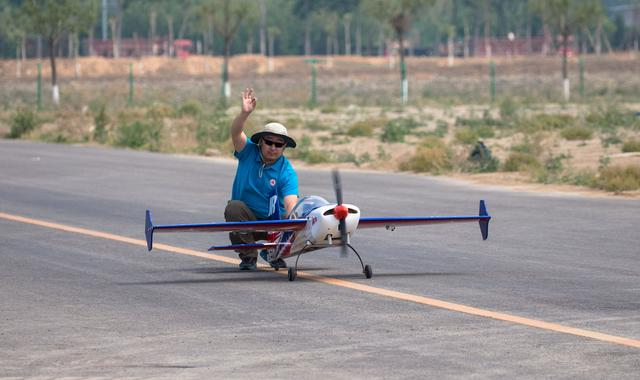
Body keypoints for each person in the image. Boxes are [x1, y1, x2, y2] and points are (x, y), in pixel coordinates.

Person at [225, 88, 299, 270]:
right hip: (247, 219)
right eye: (269, 142)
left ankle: (273, 252)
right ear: (260, 142)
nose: (273, 147)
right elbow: (235, 133)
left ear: (284, 148)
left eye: (279, 144)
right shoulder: (247, 152)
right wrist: (244, 113)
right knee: (233, 208)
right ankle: (249, 256)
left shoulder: (287, 172)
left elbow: (291, 203)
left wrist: (293, 219)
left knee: (293, 219)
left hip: (274, 224)